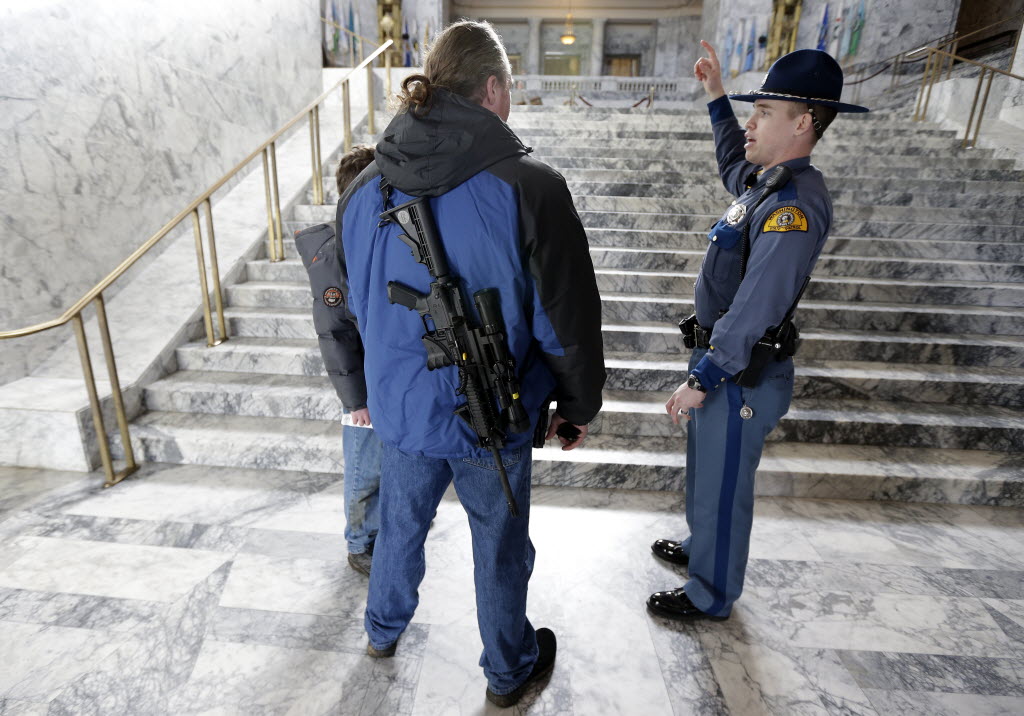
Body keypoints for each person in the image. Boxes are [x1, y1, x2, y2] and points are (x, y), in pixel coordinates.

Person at [332, 21, 605, 707]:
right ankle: (509, 670)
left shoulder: (362, 189)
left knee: (400, 527)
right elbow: (565, 321)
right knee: (500, 545)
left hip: (402, 409)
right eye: (508, 89)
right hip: (493, 411)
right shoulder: (530, 187)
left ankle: (381, 630)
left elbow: (359, 306)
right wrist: (577, 405)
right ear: (491, 88)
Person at [647, 42, 868, 621]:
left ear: (802, 123)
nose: (751, 122)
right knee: (707, 471)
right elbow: (731, 164)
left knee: (724, 485)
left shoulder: (793, 204)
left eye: (764, 112)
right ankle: (703, 549)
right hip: (725, 363)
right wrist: (717, 97)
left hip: (739, 371)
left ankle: (710, 593)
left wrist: (705, 375)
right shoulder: (766, 184)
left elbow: (756, 304)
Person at [295, 144, 381, 577]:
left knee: (386, 461)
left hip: (386, 375)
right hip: (363, 386)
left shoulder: (371, 236)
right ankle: (360, 543)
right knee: (365, 467)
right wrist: (355, 400)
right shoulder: (332, 254)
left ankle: (383, 529)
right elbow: (334, 332)